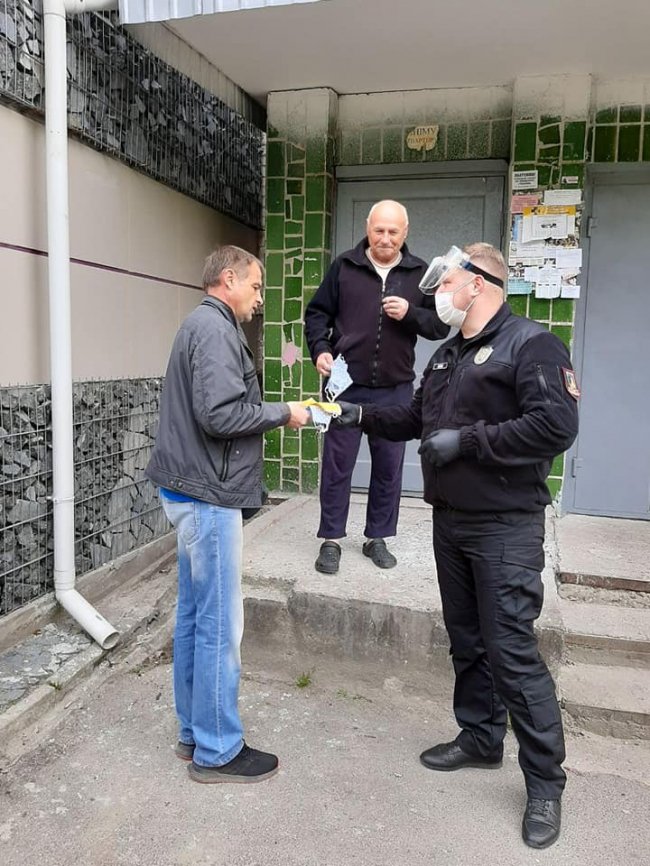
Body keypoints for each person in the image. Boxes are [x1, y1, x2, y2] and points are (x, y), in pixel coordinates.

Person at [334, 242, 579, 849]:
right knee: (467, 640)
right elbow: (413, 419)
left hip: (505, 525)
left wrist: (468, 442)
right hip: (451, 522)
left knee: (511, 652)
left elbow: (556, 426)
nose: (438, 292)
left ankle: (545, 785)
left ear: (478, 283)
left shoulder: (531, 344)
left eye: (446, 282)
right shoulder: (447, 354)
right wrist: (356, 415)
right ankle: (480, 737)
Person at [146, 245, 310, 784]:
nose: (260, 299)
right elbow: (219, 415)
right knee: (218, 622)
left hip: (191, 489)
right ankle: (217, 749)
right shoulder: (215, 329)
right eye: (256, 286)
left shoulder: (200, 324)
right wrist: (285, 413)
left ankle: (194, 733)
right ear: (228, 279)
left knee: (196, 615)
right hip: (208, 494)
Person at [304, 200, 449, 575]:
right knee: (337, 465)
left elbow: (439, 325)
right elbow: (317, 314)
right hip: (344, 386)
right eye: (379, 230)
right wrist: (320, 349)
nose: (385, 238)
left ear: (405, 231)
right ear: (368, 228)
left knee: (388, 467)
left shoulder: (421, 273)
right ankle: (331, 539)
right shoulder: (344, 266)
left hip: (395, 390)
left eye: (393, 231)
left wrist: (411, 313)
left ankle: (377, 537)